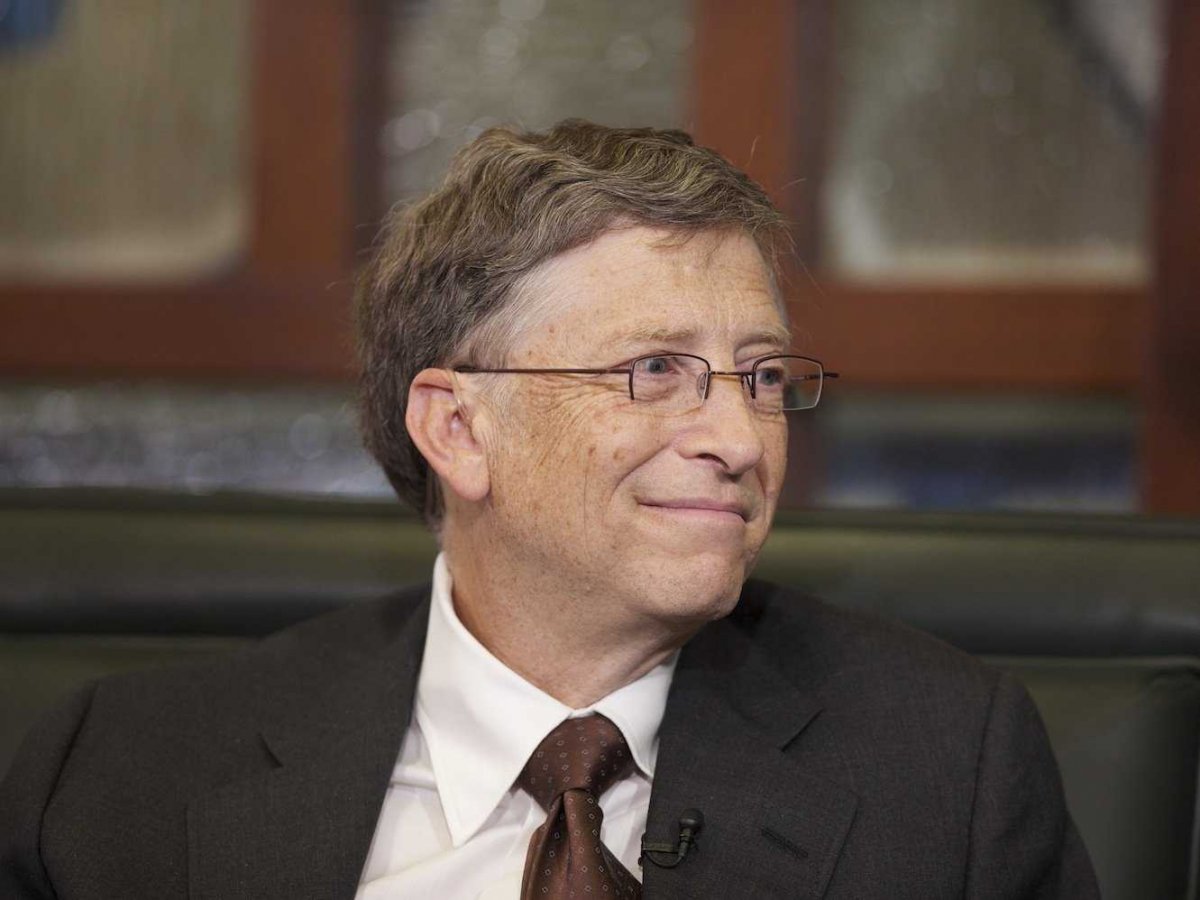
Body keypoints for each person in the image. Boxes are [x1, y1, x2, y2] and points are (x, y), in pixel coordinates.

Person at [0, 120, 1097, 899]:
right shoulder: (118, 779)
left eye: (763, 376)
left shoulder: (945, 769)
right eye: (655, 370)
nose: (740, 439)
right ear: (459, 429)